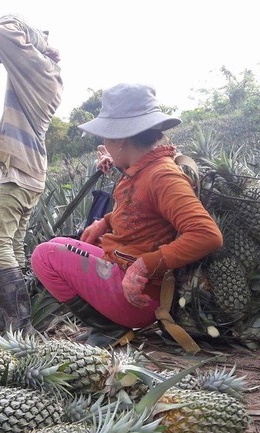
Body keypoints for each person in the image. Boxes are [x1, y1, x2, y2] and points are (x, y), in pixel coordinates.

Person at [30, 83, 223, 345]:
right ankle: (108, 326)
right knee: (56, 245)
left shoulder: (162, 176)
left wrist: (144, 266)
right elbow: (143, 211)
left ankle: (109, 328)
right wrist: (105, 222)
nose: (105, 144)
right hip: (124, 274)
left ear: (121, 139)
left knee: (45, 255)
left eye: (106, 138)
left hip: (138, 297)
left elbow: (207, 235)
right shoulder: (143, 169)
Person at [0, 15, 63, 335]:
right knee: (13, 246)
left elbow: (1, 28)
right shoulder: (41, 74)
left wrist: (40, 41)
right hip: (29, 169)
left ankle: (20, 324)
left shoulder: (38, 69)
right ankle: (15, 316)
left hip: (21, 170)